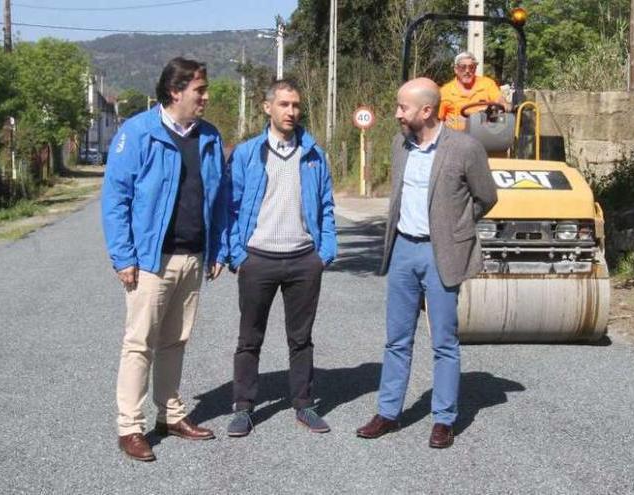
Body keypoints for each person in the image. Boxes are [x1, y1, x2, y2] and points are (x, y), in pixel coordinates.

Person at [356, 78, 497, 449]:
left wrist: (458, 227)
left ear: (426, 110)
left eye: (403, 107)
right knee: (396, 339)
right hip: (404, 249)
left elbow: (486, 197)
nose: (397, 113)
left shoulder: (465, 148)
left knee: (444, 341)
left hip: (442, 253)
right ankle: (388, 413)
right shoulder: (399, 145)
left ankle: (443, 418)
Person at [101, 57, 227, 462]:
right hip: (150, 260)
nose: (205, 97)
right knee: (140, 344)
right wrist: (123, 256)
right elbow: (115, 200)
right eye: (200, 90)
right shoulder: (137, 133)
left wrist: (217, 249)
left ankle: (170, 415)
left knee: (176, 341)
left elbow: (218, 199)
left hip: (192, 257)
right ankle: (129, 426)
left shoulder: (208, 136)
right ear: (176, 91)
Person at [225, 79, 337, 437]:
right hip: (257, 259)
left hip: (304, 259)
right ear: (267, 107)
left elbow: (326, 206)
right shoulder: (247, 153)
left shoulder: (314, 153)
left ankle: (304, 404)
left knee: (301, 339)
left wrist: (325, 252)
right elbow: (230, 206)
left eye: (296, 105)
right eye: (285, 104)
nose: (292, 111)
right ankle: (243, 407)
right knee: (249, 338)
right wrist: (237, 254)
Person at [438, 51, 506, 130]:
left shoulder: (487, 84)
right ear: (456, 69)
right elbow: (437, 120)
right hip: (456, 137)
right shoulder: (445, 92)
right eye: (463, 67)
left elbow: (499, 100)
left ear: (475, 69)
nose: (467, 71)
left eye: (471, 67)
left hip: (483, 136)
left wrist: (503, 104)